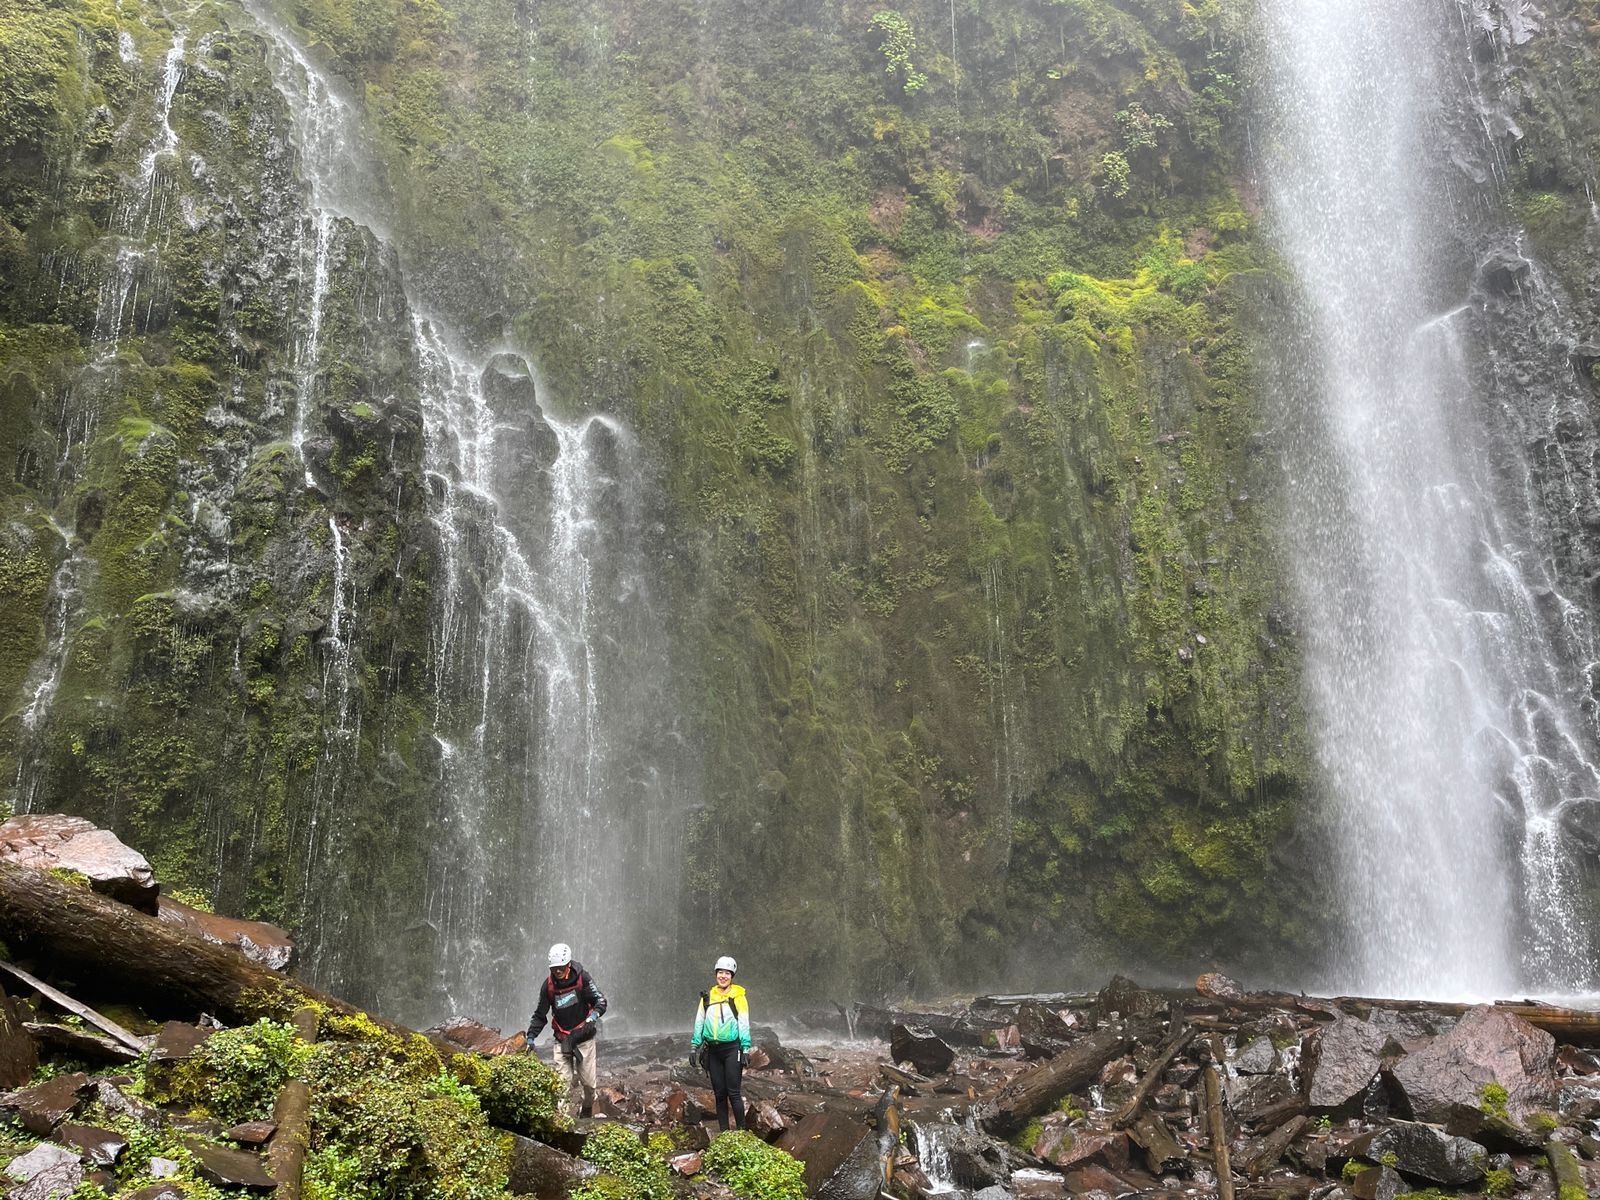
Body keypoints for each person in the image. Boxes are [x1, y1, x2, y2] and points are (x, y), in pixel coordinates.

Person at [526, 941, 607, 1118]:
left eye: (561, 967)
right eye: (554, 968)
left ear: (568, 964)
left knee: (588, 1084)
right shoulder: (548, 986)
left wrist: (593, 1017)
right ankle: (561, 1121)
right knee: (562, 1083)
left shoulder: (582, 978)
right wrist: (531, 1036)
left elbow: (600, 1001)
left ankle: (586, 1111)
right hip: (562, 1040)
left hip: (584, 1038)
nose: (558, 971)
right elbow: (540, 1014)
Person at [689, 954, 751, 1131]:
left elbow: (744, 1023)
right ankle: (724, 1133)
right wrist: (694, 1046)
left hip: (732, 1049)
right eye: (720, 972)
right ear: (716, 974)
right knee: (719, 1094)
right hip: (713, 1051)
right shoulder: (707, 998)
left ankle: (741, 1132)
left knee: (734, 1093)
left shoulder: (738, 997)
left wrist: (745, 1049)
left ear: (732, 977)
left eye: (727, 973)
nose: (723, 976)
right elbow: (699, 1022)